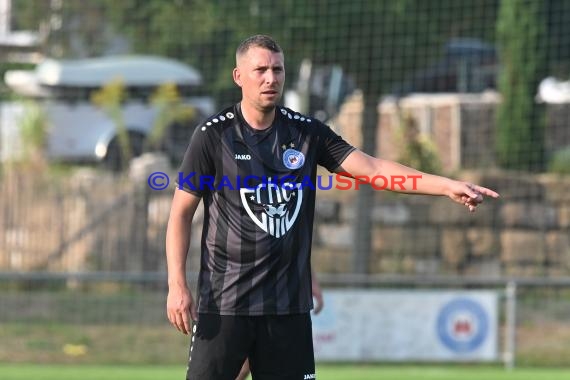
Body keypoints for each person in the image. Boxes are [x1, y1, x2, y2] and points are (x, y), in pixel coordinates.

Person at [166, 34, 499, 380]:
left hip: (287, 310)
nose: (271, 78)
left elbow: (374, 170)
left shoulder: (307, 133)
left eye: (277, 69)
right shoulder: (213, 136)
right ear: (239, 76)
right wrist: (177, 285)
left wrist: (445, 186)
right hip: (225, 307)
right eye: (260, 70)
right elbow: (180, 214)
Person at [235, 272, 324, 380]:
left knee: (246, 367)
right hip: (237, 302)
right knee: (239, 367)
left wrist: (313, 283)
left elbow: (301, 255)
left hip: (276, 304)